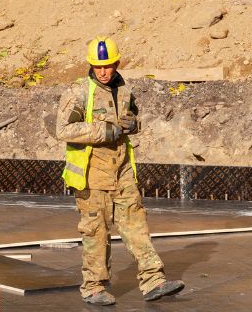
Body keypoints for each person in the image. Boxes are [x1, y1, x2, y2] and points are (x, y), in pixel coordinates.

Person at [56, 36, 185, 306]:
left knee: (136, 224)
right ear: (91, 65)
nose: (103, 72)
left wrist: (133, 124)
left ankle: (153, 280)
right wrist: (103, 131)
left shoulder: (125, 89)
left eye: (108, 66)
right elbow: (63, 130)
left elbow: (134, 116)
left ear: (117, 63)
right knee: (96, 232)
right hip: (92, 174)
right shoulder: (79, 92)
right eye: (98, 67)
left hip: (122, 169)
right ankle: (93, 286)